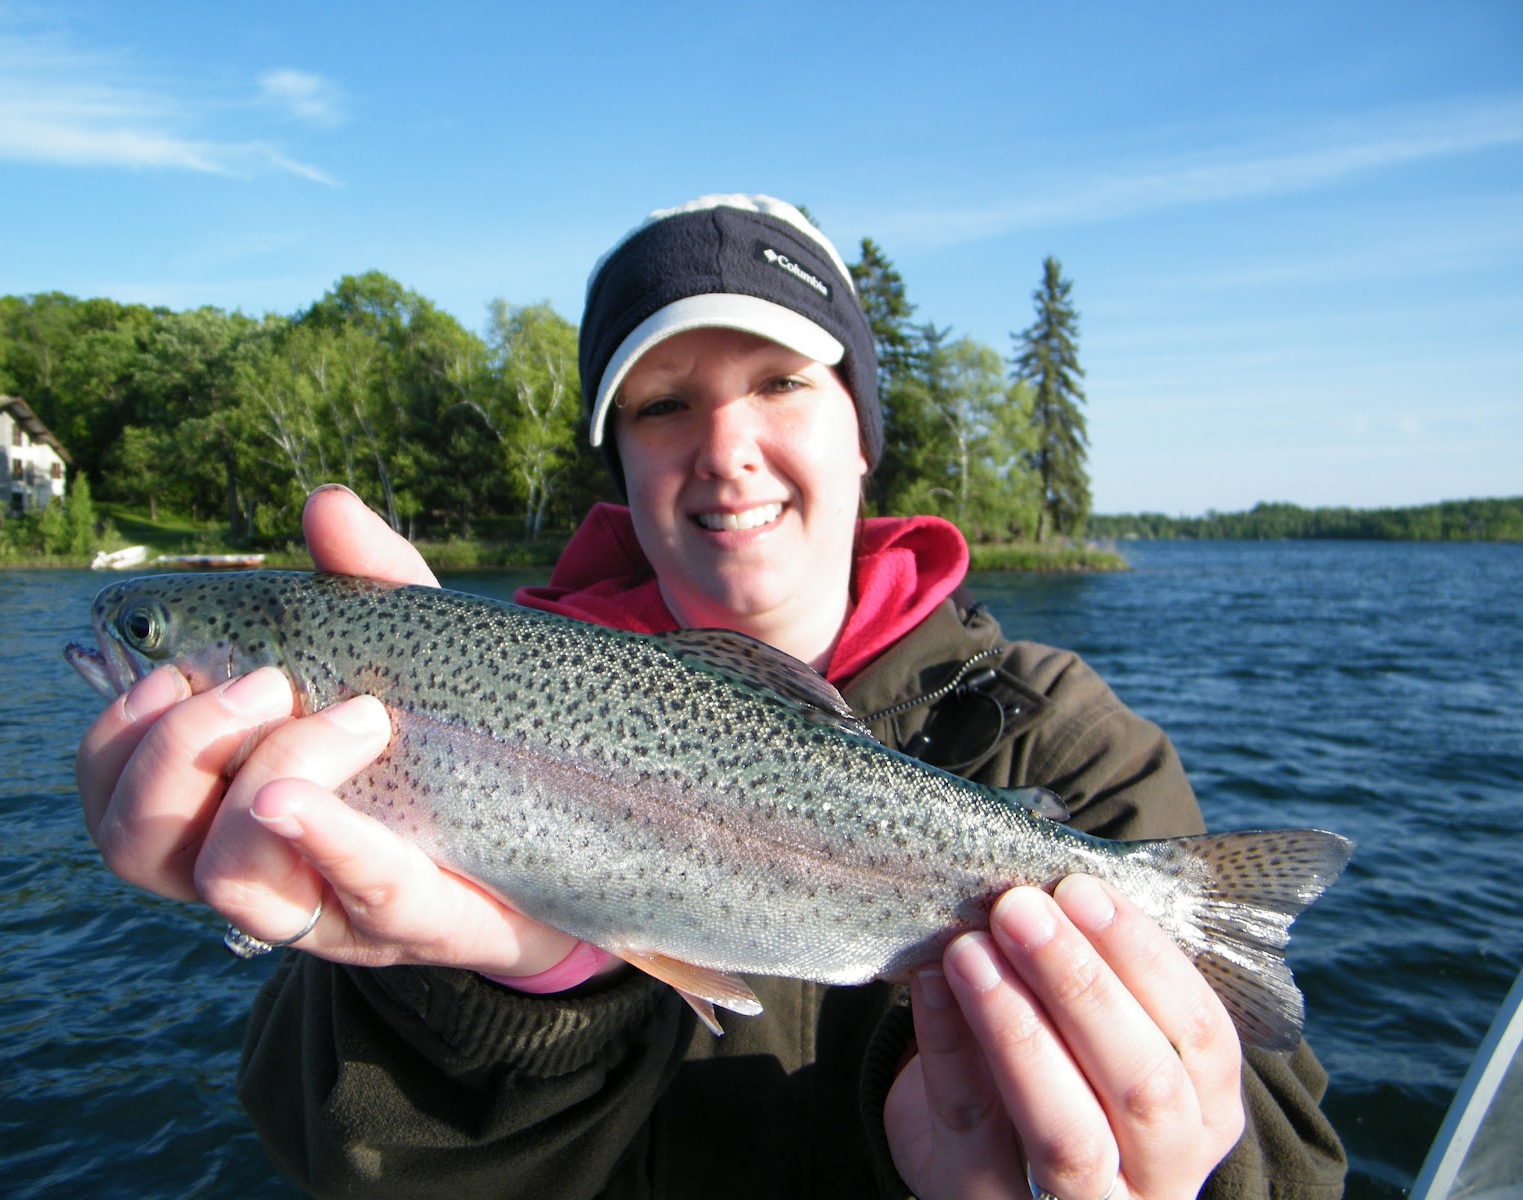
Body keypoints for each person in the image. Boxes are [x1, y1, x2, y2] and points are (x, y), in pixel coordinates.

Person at [76, 195, 1347, 1200]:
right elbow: (333, 1153)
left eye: (782, 383)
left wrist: (1170, 1174)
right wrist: (485, 992)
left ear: (862, 430)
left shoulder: (1060, 735)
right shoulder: (415, 700)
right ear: (617, 462)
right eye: (664, 404)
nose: (724, 445)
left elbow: (1293, 1168)